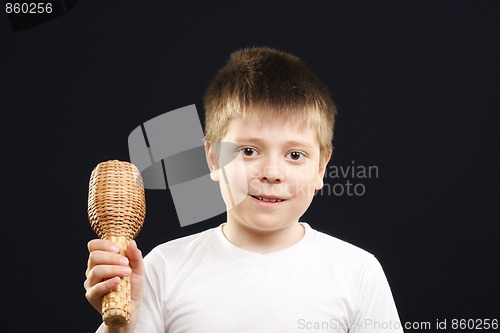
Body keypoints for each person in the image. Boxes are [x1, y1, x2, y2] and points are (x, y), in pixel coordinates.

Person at [84, 46, 404, 332]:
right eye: (249, 151)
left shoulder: (357, 272)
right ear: (212, 158)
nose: (272, 173)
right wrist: (121, 327)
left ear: (321, 167)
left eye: (295, 155)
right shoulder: (162, 268)